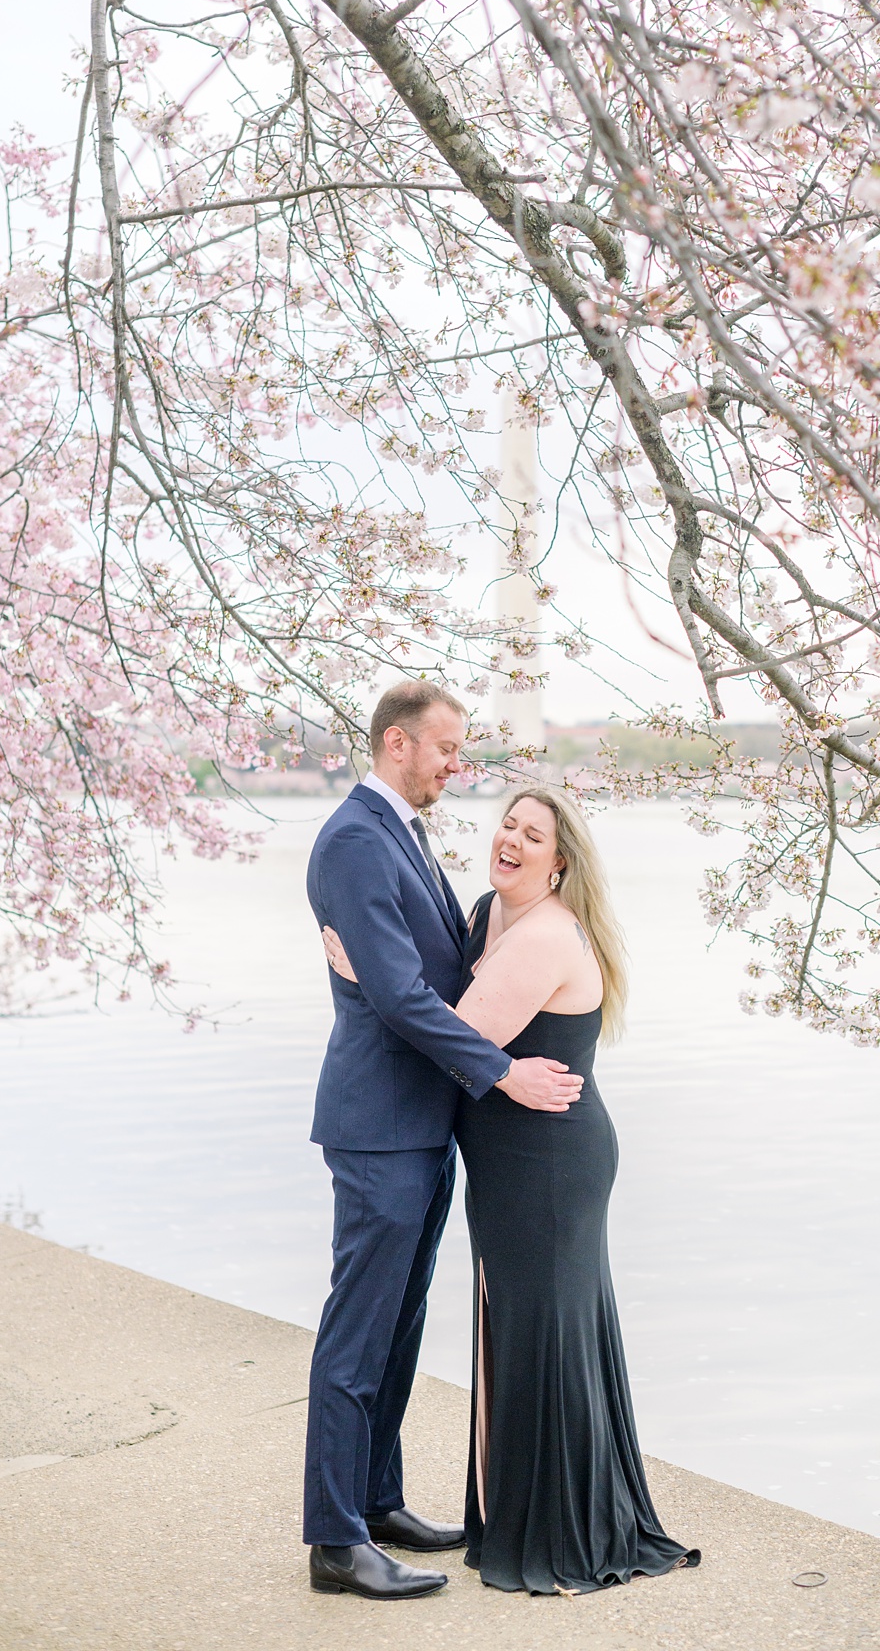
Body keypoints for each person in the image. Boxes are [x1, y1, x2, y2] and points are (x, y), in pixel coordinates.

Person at [327, 785, 699, 1594]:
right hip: (508, 1160)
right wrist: (388, 977)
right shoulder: (485, 916)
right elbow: (441, 994)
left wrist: (363, 973)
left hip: (549, 1164)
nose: (513, 841)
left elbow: (453, 1038)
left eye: (535, 836)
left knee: (541, 1337)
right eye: (509, 824)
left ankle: (560, 1531)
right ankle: (521, 1512)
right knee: (518, 1334)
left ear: (560, 864)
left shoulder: (543, 937)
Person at [300, 682, 583, 1602]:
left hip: (419, 1123)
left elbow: (441, 971)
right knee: (358, 1331)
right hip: (380, 1122)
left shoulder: (404, 835)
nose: (457, 766)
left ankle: (377, 1500)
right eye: (447, 750)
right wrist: (503, 1073)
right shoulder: (352, 839)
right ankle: (336, 1542)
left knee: (400, 1324)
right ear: (396, 744)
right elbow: (400, 995)